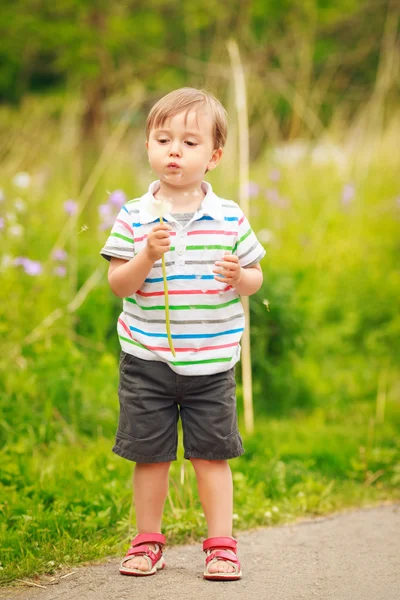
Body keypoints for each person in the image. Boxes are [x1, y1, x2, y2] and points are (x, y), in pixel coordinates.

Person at [100, 87, 265, 580]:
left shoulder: (230, 215)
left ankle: (220, 545)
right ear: (149, 145)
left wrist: (241, 277)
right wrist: (145, 256)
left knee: (211, 456)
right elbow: (118, 284)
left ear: (213, 156)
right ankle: (147, 540)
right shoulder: (134, 214)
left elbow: (255, 280)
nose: (174, 150)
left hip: (212, 363)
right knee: (150, 457)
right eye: (163, 138)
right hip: (146, 359)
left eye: (189, 142)